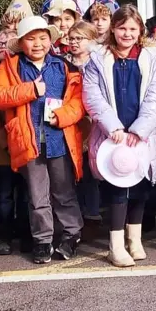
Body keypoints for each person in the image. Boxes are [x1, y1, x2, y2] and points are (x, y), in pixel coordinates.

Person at [0, 16, 85, 264]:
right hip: (28, 142)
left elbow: (78, 103)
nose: (38, 44)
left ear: (50, 40)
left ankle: (71, 235)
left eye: (43, 38)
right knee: (37, 195)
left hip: (59, 141)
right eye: (31, 39)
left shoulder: (63, 66)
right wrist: (30, 90)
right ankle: (42, 240)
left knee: (64, 192)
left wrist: (62, 116)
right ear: (21, 43)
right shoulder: (10, 67)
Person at [83, 5, 156, 267]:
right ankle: (116, 245)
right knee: (118, 189)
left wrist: (140, 130)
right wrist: (113, 128)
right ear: (113, 29)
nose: (127, 34)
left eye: (132, 29)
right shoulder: (98, 59)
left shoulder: (151, 58)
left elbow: (154, 97)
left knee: (140, 185)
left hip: (140, 135)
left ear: (140, 30)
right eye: (122, 28)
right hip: (113, 135)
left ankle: (135, 239)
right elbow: (93, 96)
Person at [0, 29, 32, 255]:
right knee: (4, 194)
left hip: (25, 145)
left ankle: (25, 233)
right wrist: (6, 142)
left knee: (26, 193)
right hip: (2, 148)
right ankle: (4, 235)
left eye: (8, 43)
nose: (3, 47)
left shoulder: (26, 75)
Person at [64, 22, 101, 223]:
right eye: (72, 38)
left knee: (90, 170)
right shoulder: (63, 63)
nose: (74, 42)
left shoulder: (98, 63)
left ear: (92, 40)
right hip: (71, 122)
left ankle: (93, 211)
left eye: (80, 38)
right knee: (72, 172)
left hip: (93, 122)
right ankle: (74, 213)